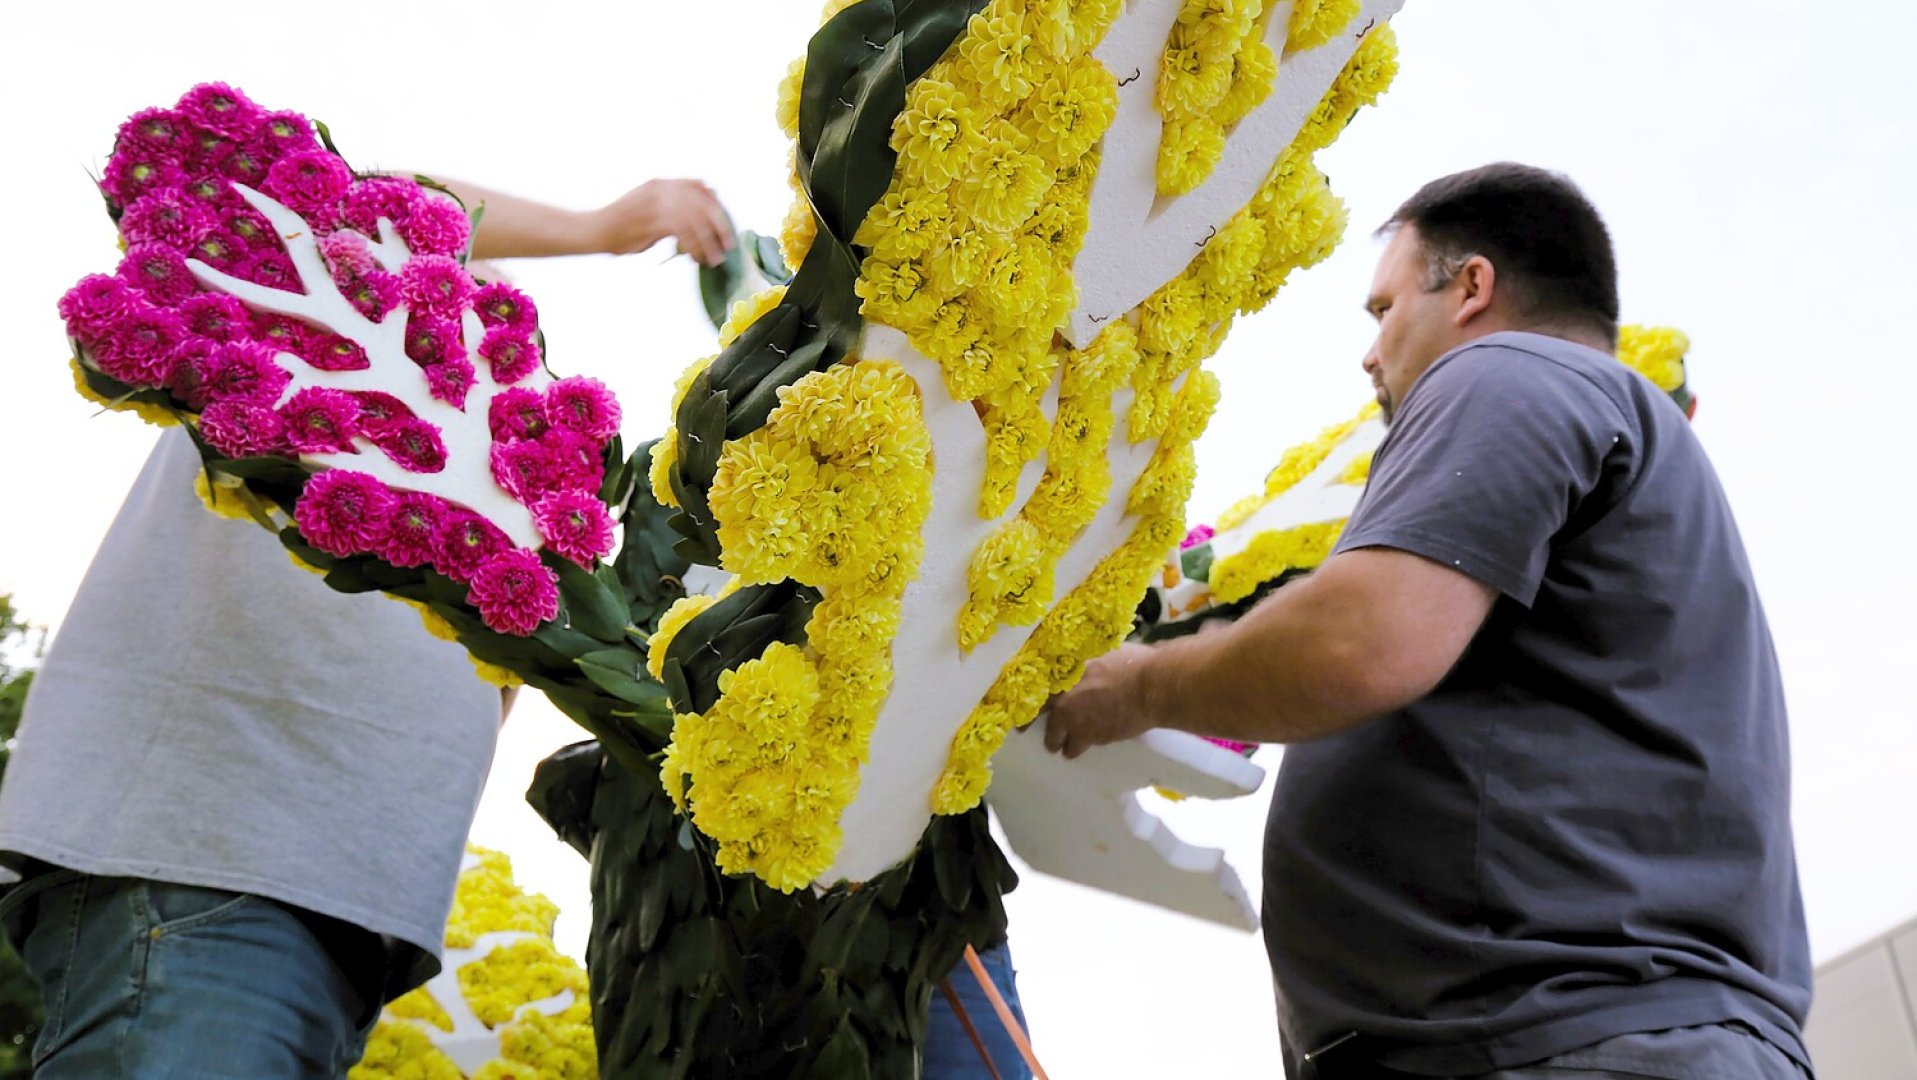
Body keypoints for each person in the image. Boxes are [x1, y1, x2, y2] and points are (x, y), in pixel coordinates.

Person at [1045, 163, 1813, 1079]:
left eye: (1380, 311)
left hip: (1567, 1040)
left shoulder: (1508, 369)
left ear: (1472, 287)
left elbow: (1359, 643)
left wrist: (1137, 685)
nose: (1370, 354)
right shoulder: (1621, 431)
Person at [0, 175, 730, 1078]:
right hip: (206, 868)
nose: (474, 327)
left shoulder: (508, 486)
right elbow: (349, 192)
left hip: (343, 915)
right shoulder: (303, 338)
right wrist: (602, 227)